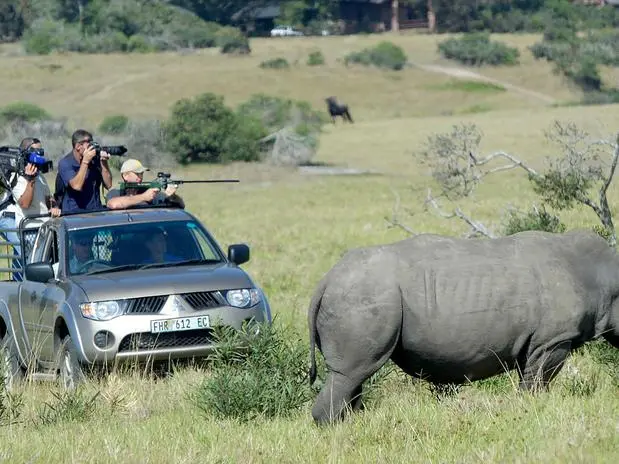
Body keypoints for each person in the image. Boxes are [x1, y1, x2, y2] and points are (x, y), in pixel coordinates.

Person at [0, 137, 61, 281]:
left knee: (36, 259)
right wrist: (30, 179)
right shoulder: (17, 176)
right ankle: (21, 286)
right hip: (27, 225)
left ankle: (18, 281)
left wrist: (54, 207)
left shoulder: (40, 177)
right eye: (35, 152)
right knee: (28, 258)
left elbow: (48, 199)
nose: (39, 155)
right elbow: (25, 203)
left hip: (42, 225)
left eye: (41, 151)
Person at [56, 129, 112, 214]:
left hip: (95, 211)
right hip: (74, 214)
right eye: (89, 144)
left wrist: (103, 162)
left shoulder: (94, 160)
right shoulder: (65, 163)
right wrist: (85, 161)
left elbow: (109, 185)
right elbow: (77, 186)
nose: (91, 147)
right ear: (78, 146)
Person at [105, 158, 185, 210]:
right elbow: (113, 205)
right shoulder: (116, 193)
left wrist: (172, 197)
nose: (140, 177)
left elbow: (181, 205)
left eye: (141, 174)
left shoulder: (149, 193)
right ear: (125, 176)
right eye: (137, 173)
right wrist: (144, 197)